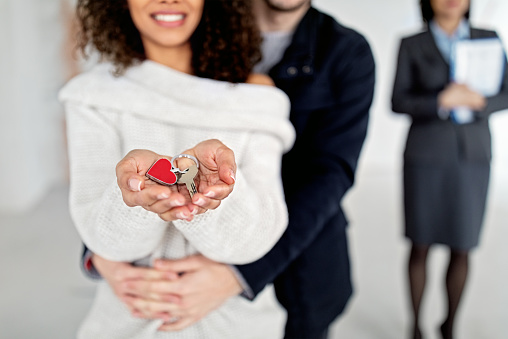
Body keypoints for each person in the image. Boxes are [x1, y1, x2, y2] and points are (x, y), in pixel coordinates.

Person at [85, 0, 375, 338]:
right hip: (185, 255)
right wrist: (100, 250)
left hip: (299, 260)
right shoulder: (190, 21)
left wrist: (239, 273)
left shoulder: (346, 51)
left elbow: (330, 172)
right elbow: (128, 130)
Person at [59, 0, 296, 337]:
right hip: (130, 318)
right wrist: (136, 201)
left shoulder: (255, 97)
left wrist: (207, 198)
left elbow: (254, 239)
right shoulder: (93, 97)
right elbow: (107, 242)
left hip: (238, 324)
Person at [391, 1, 508, 338]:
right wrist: (441, 101)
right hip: (425, 156)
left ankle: (450, 326)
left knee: (463, 244)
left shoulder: (490, 37)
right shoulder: (412, 43)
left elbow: (507, 91)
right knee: (421, 243)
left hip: (472, 157)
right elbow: (398, 100)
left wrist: (480, 102)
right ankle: (415, 327)